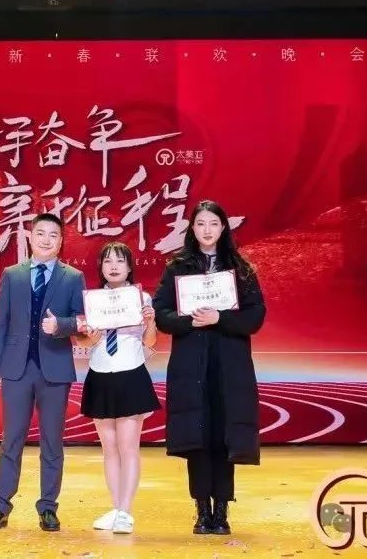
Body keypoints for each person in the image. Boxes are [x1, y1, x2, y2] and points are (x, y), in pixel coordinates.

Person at [152, 200, 266, 535]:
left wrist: (220, 317)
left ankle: (222, 511)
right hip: (192, 366)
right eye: (200, 224)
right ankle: (202, 510)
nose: (207, 230)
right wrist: (191, 320)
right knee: (198, 436)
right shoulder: (178, 267)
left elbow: (255, 315)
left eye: (213, 224)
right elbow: (161, 314)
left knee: (224, 435)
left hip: (229, 365)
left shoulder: (240, 268)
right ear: (192, 228)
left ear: (223, 228)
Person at [0, 213, 85, 532]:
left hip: (55, 370)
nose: (46, 239)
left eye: (53, 235)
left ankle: (48, 507)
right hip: (16, 370)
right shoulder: (12, 275)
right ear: (30, 237)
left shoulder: (73, 277)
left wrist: (61, 325)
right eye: (40, 233)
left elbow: (83, 321)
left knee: (52, 442)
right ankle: (1, 504)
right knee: (11, 439)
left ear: (61, 241)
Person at [76, 242, 161, 534]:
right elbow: (85, 342)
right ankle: (116, 509)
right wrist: (91, 336)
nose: (113, 266)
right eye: (108, 261)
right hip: (100, 374)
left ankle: (126, 511)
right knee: (109, 449)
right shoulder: (93, 301)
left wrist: (150, 321)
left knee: (128, 448)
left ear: (129, 266)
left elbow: (150, 341)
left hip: (130, 374)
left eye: (120, 261)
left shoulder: (141, 298)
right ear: (101, 267)